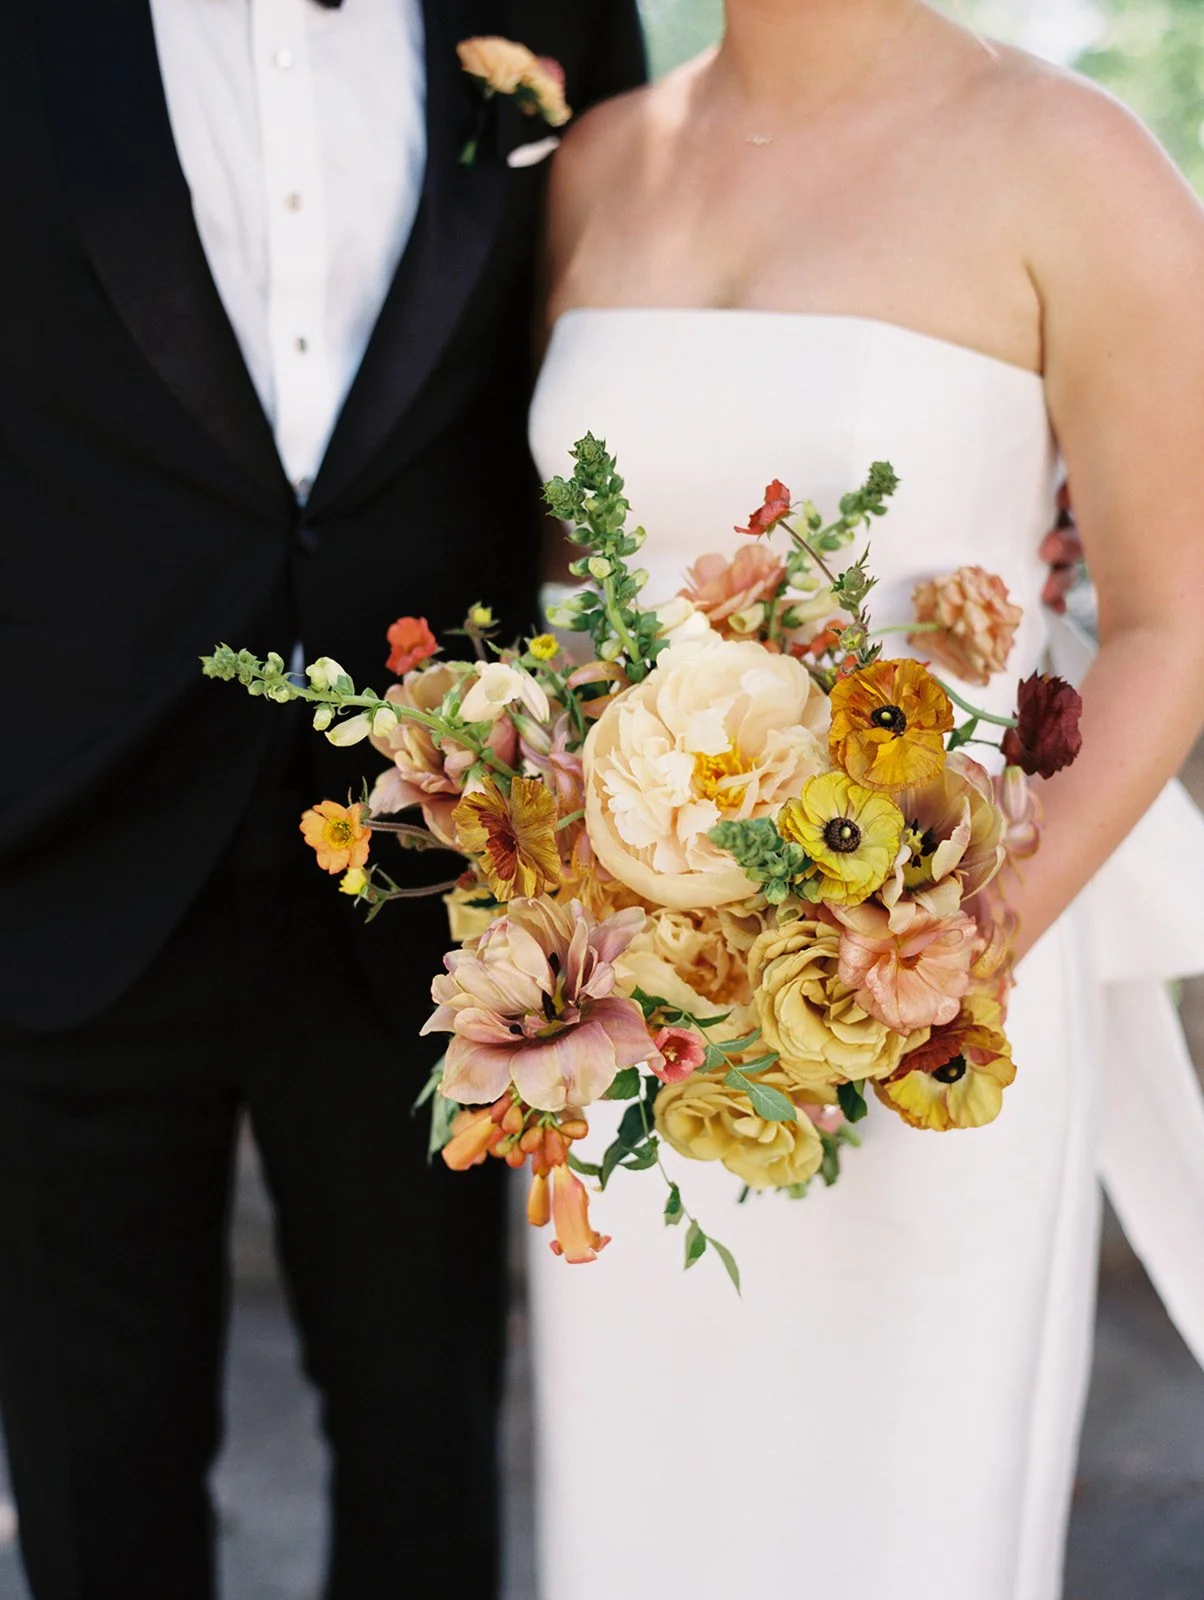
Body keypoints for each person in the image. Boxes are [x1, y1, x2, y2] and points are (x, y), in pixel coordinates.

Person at [525, 2, 1204, 1597]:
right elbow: (566, 594)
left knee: (898, 1523)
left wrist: (931, 962)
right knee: (642, 1510)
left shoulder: (1075, 161)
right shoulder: (599, 164)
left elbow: (1173, 622)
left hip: (933, 1001)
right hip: (647, 1026)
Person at [0, 4, 645, 1598]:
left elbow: (660, 312)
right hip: (62, 852)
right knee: (95, 1474)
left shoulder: (556, 12)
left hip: (436, 878)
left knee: (430, 1444)